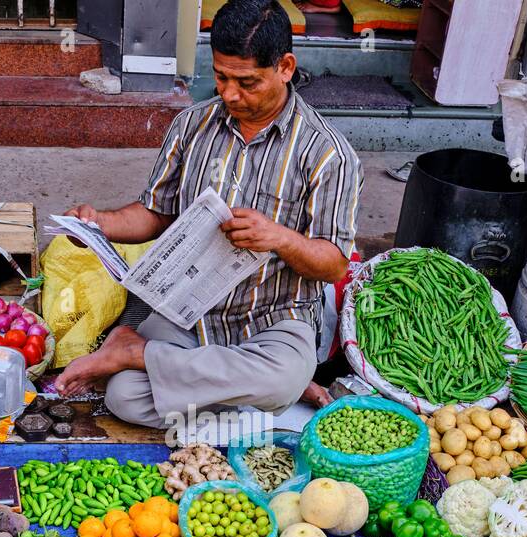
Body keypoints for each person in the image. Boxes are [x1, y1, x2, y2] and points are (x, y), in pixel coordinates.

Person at [52, 0, 362, 428]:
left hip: (273, 319)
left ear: (286, 67)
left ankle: (143, 355)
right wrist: (99, 224)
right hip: (190, 313)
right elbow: (154, 214)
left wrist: (279, 238)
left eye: (247, 82)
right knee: (125, 397)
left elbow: (333, 265)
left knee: (278, 377)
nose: (230, 94)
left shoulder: (328, 154)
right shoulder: (191, 125)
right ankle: (250, 389)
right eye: (221, 77)